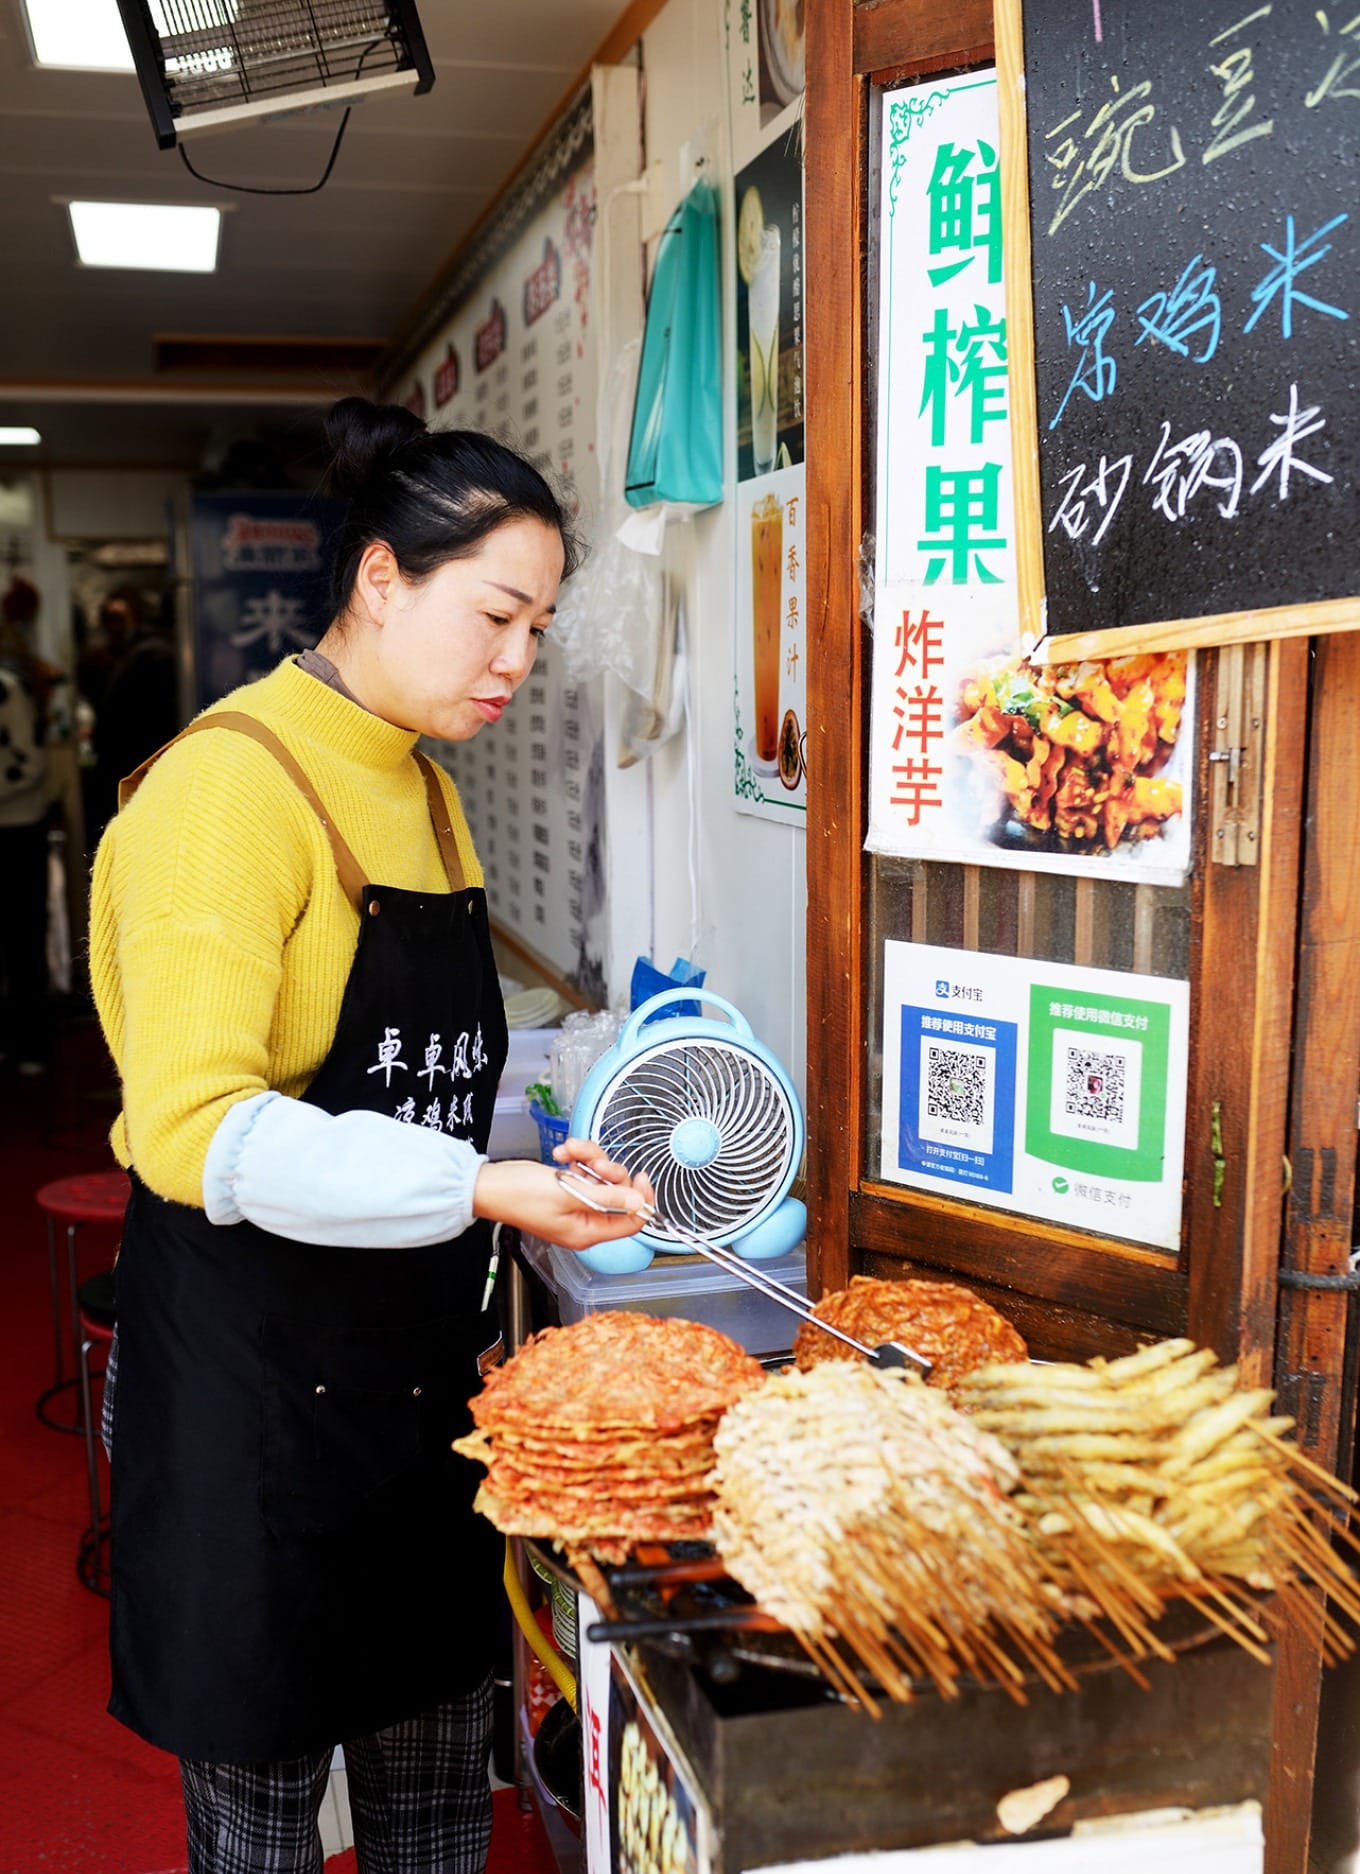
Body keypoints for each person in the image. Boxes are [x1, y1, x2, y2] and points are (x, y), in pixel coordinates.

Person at [88, 397, 653, 1874]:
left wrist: (552, 1138)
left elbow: (428, 1070)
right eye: (496, 616)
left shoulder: (426, 793)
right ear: (381, 578)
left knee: (432, 1797)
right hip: (255, 1406)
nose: (518, 662)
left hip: (411, 1411)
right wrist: (479, 1183)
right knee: (267, 1824)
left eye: (539, 625)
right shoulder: (225, 792)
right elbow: (196, 1134)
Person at [0, 576, 65, 1072]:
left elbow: (29, 760)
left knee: (24, 936)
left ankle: (31, 1044)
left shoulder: (9, 690)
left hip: (18, 827)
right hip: (16, 819)